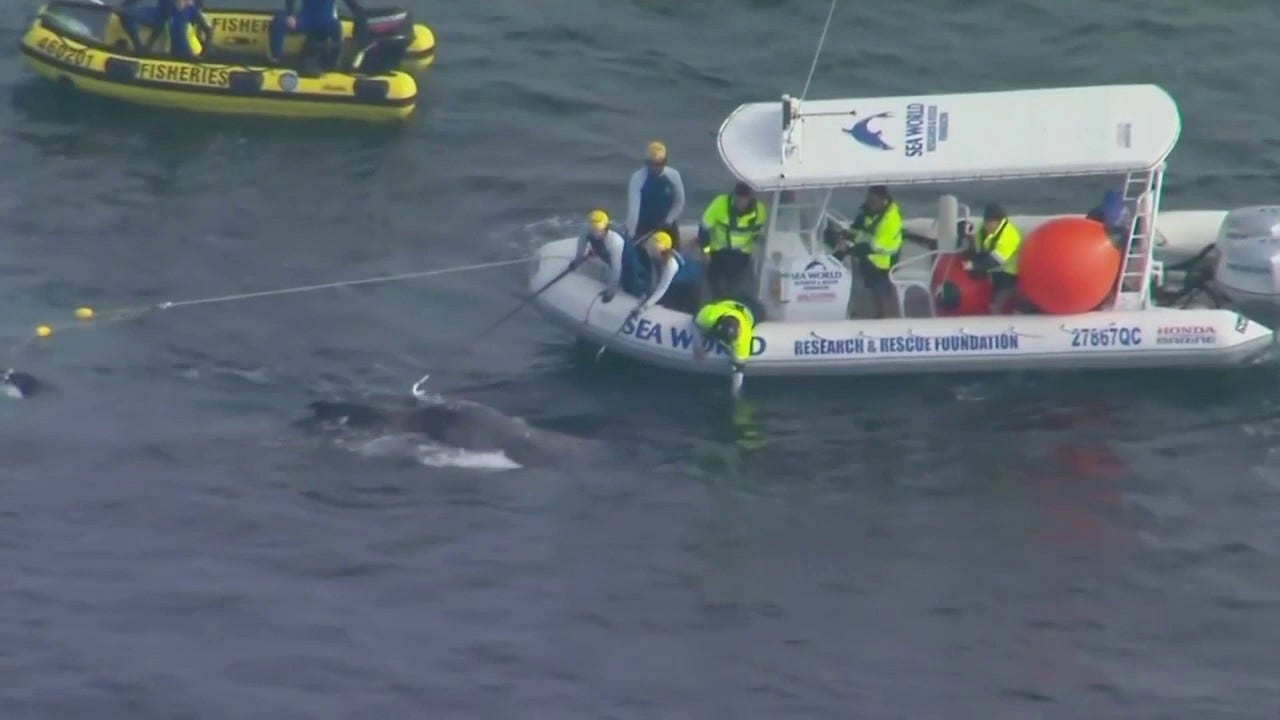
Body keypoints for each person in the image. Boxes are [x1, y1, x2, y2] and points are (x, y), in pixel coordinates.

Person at [835, 185, 902, 318]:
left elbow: (876, 245)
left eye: (873, 201)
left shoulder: (891, 219)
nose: (869, 204)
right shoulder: (869, 213)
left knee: (881, 295)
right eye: (869, 200)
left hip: (884, 261)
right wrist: (847, 234)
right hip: (869, 258)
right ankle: (855, 312)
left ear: (883, 201)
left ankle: (884, 320)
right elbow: (860, 230)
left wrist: (854, 243)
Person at [699, 181, 767, 298]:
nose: (741, 202)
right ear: (734, 195)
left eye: (744, 199)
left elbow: (758, 231)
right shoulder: (720, 203)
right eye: (739, 198)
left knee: (735, 286)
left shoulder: (759, 210)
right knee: (712, 281)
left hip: (742, 253)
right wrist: (706, 252)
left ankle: (731, 301)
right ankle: (714, 300)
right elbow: (704, 229)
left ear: (750, 198)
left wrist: (759, 239)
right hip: (718, 250)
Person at [568, 209, 647, 301]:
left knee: (630, 285)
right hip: (607, 254)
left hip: (627, 256)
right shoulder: (586, 233)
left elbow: (616, 268)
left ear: (606, 228)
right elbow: (580, 250)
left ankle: (644, 292)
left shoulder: (614, 241)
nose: (595, 233)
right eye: (593, 229)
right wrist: (576, 262)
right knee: (622, 275)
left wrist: (610, 292)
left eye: (598, 229)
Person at [625, 231, 702, 321]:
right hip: (671, 278)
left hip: (685, 281)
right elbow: (655, 277)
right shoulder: (654, 255)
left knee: (675, 298)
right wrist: (648, 294)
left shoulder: (671, 265)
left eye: (653, 249)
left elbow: (662, 288)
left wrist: (645, 307)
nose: (650, 250)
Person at [963, 203, 1023, 313]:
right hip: (995, 273)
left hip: (1011, 276)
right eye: (986, 223)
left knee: (996, 305)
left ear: (999, 222)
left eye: (991, 224)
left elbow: (996, 261)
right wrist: (970, 238)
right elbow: (980, 248)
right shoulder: (984, 229)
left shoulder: (1009, 235)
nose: (988, 227)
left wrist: (974, 266)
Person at [625, 141, 686, 244]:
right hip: (644, 226)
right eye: (652, 164)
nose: (656, 168)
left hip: (667, 224)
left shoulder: (673, 175)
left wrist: (668, 221)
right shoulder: (638, 178)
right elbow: (633, 212)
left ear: (665, 162)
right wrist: (631, 235)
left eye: (660, 164)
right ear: (646, 163)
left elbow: (679, 202)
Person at [693, 299, 756, 397]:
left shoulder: (743, 341)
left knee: (760, 311)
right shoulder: (710, 316)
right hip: (726, 303)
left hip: (750, 312)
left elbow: (738, 370)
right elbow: (696, 322)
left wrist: (735, 394)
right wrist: (698, 346)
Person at [119, 0, 212, 59]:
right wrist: (148, 46)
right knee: (126, 14)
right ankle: (139, 47)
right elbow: (161, 23)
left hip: (183, 19)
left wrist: (203, 54)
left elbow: (207, 29)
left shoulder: (192, 10)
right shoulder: (169, 8)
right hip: (162, 13)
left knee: (178, 28)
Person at [268, 0, 343, 64]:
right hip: (306, 20)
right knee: (279, 22)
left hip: (325, 22)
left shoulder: (333, 24)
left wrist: (355, 15)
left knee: (336, 26)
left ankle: (332, 64)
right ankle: (276, 59)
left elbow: (351, 3)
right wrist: (289, 15)